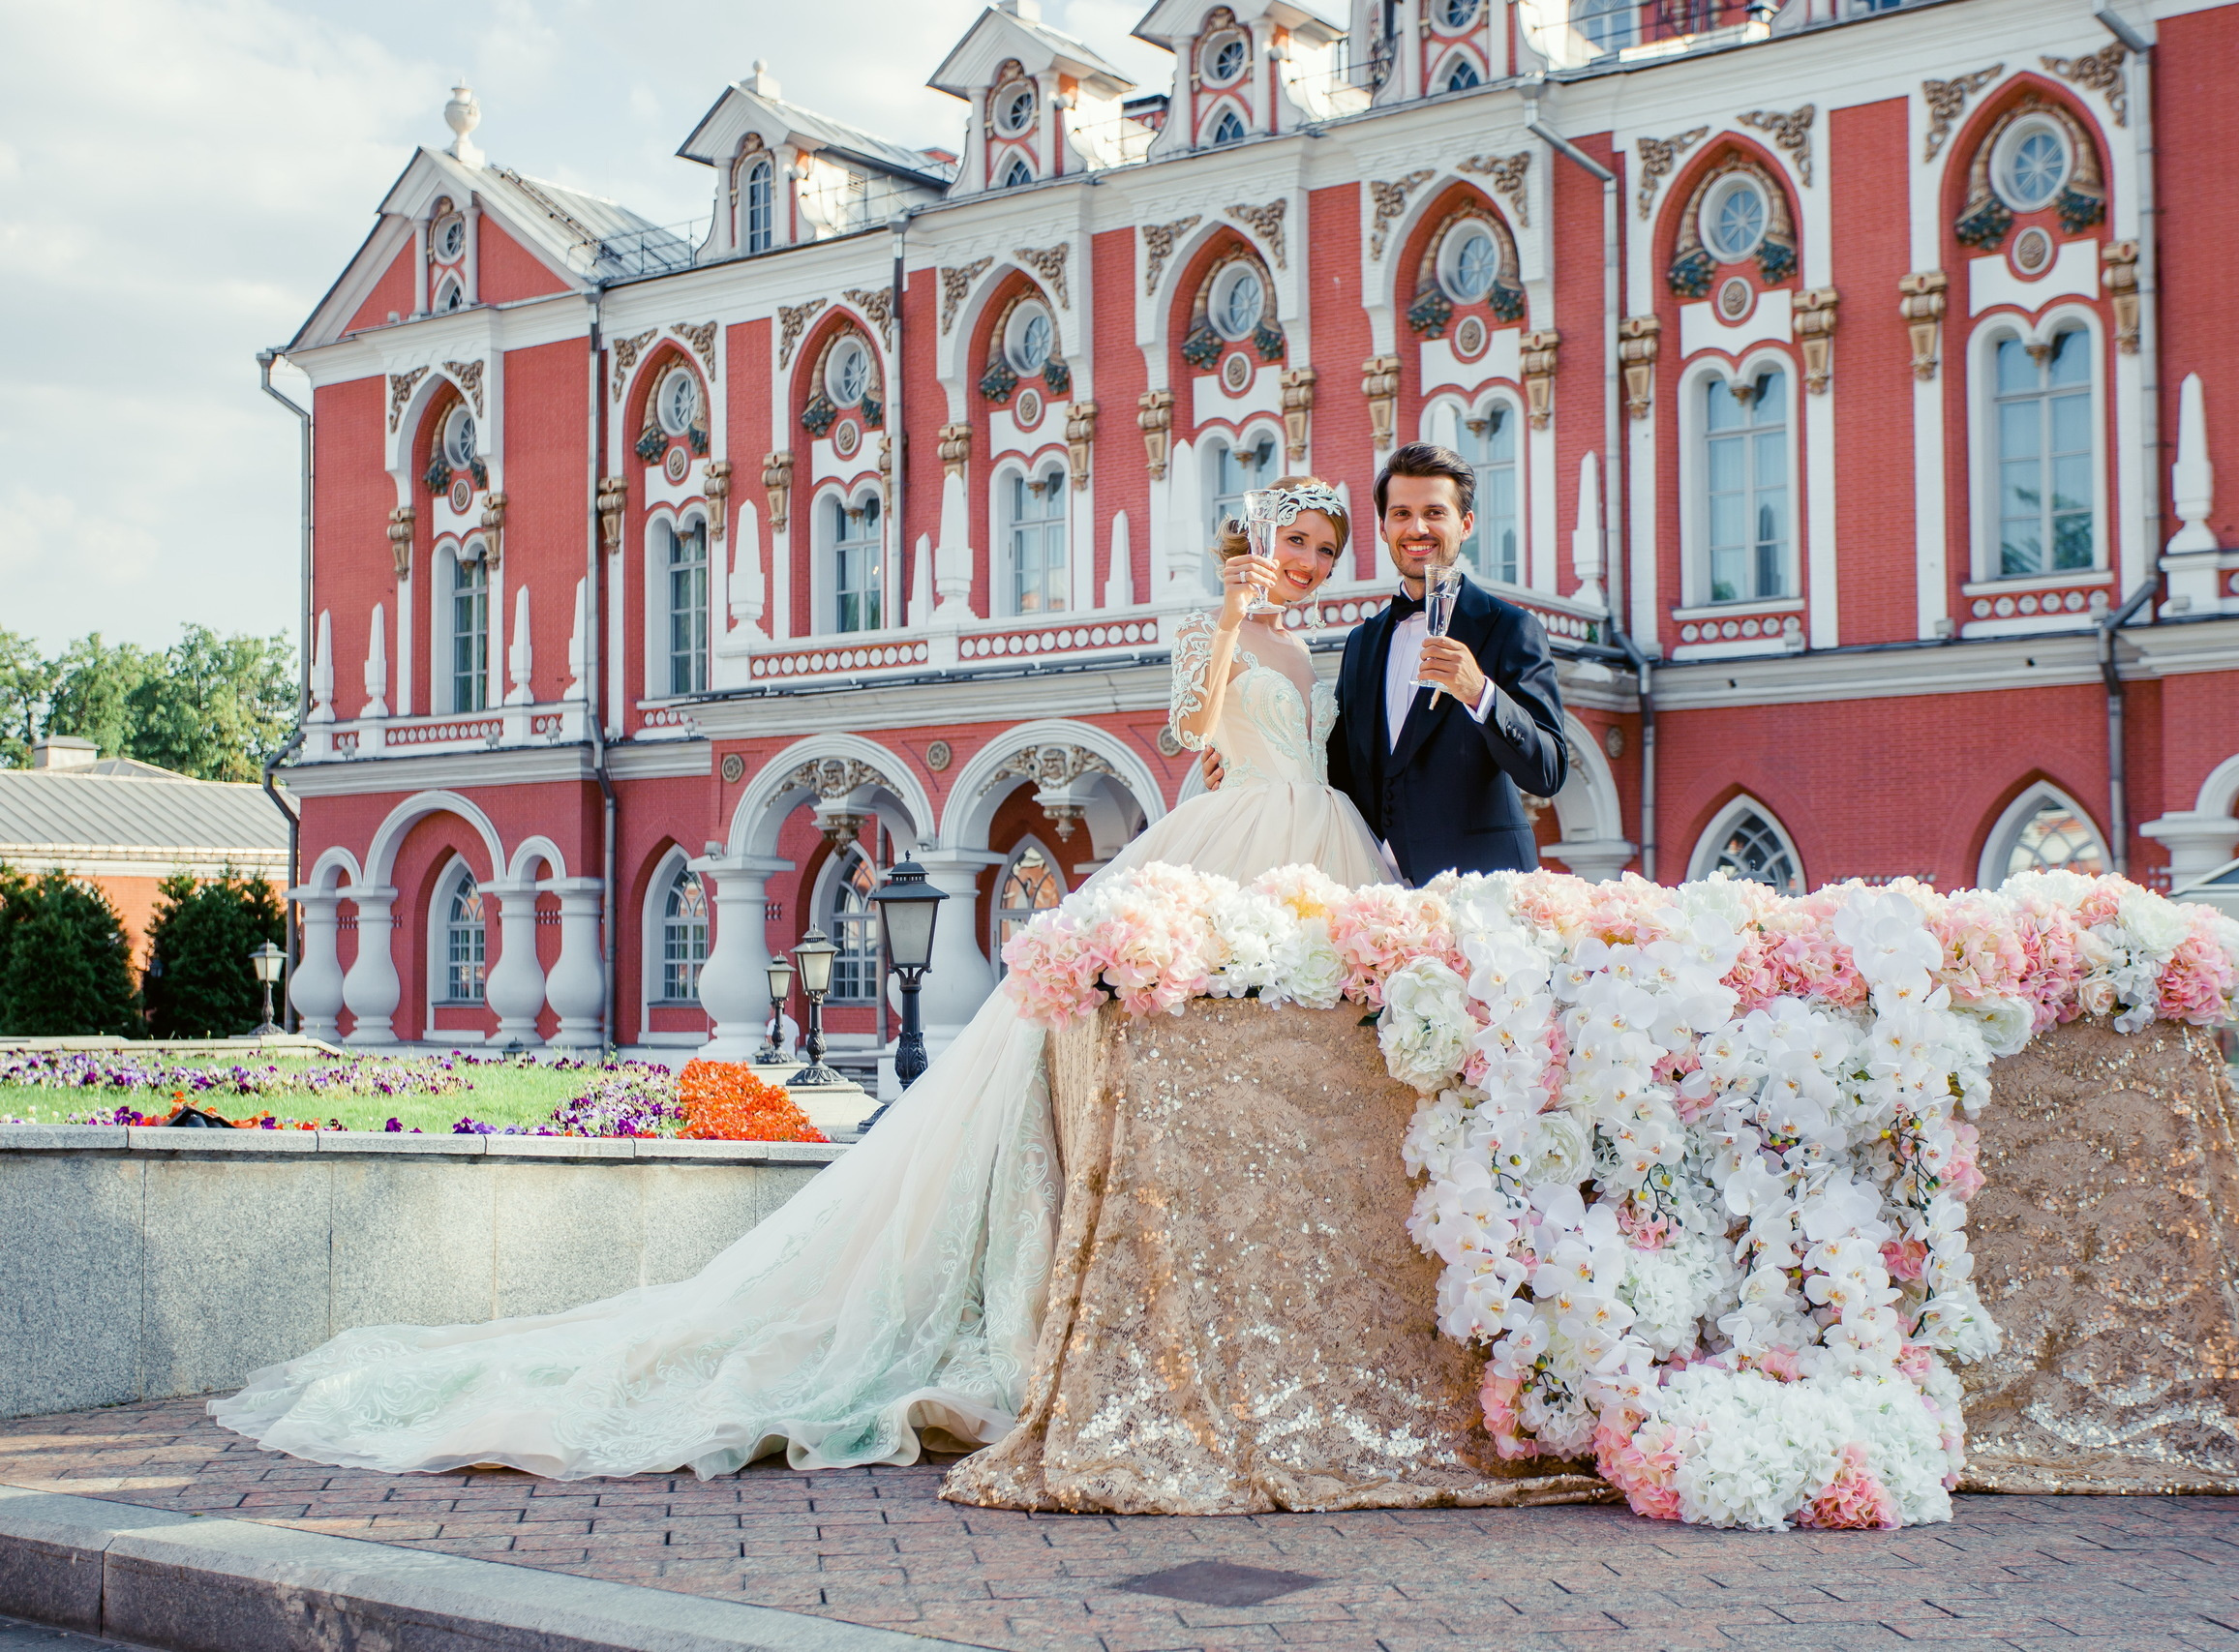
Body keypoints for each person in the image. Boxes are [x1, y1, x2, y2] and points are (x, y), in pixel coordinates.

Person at [210, 480, 1387, 1482]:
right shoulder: (1220, 630)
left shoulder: (1323, 649)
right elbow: (1193, 728)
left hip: (1311, 836)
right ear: (1255, 541)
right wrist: (1229, 621)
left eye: (1327, 550)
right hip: (1228, 823)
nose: (1311, 564)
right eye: (1296, 543)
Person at [1207, 443, 1567, 884]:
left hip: (1483, 892)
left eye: (1435, 512)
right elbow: (1331, 763)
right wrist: (1238, 762)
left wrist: (1480, 692)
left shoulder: (1510, 628)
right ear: (1383, 528)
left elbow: (1548, 771)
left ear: (1465, 523)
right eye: (1401, 514)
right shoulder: (1363, 641)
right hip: (1371, 892)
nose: (1417, 528)